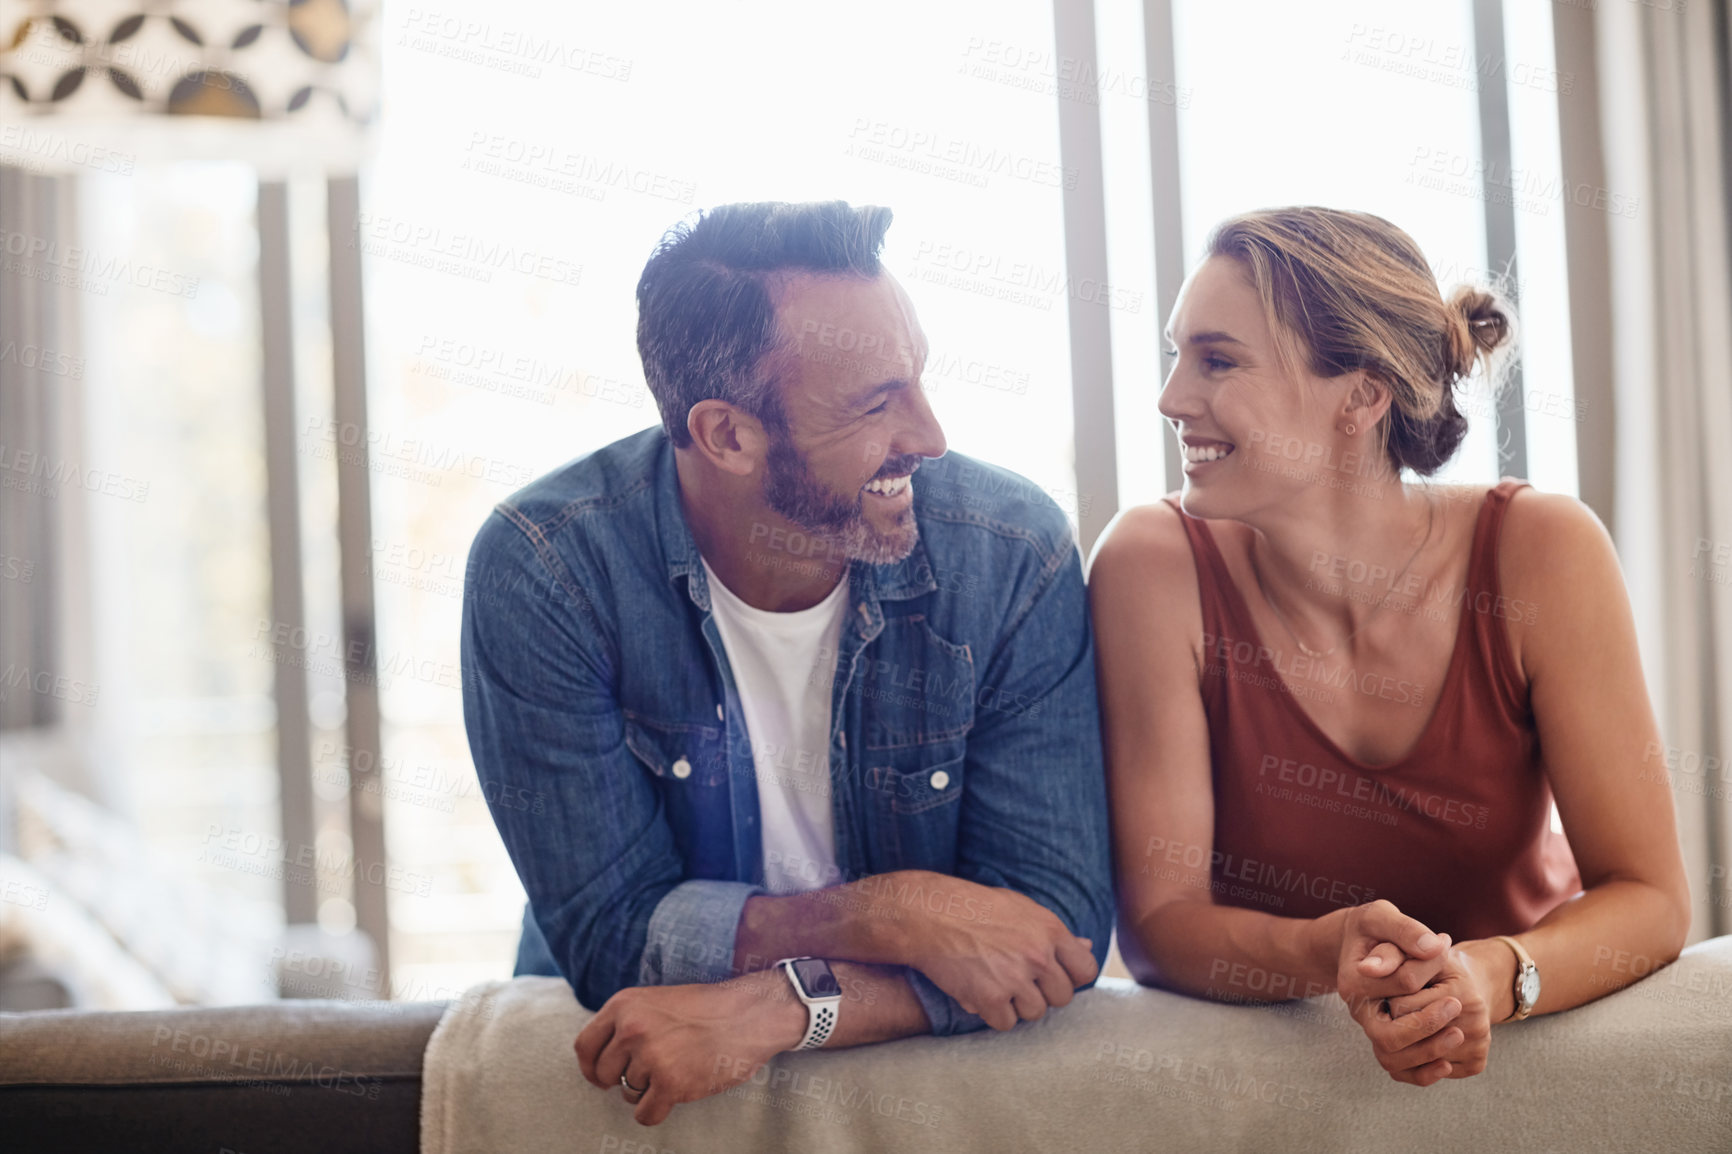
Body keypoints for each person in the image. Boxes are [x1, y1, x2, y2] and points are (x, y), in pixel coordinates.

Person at [461, 200, 1111, 1126]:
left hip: (912, 1085)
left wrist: (783, 1005)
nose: (928, 436)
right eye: (876, 403)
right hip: (648, 1083)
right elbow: (609, 936)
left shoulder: (1008, 553)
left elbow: (1057, 930)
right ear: (727, 435)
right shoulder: (549, 568)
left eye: (917, 380)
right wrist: (893, 913)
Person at [1089, 206, 1691, 1087]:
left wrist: (1488, 976)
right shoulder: (1151, 565)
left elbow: (1651, 898)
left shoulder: (1542, 550)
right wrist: (1329, 950)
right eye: (1177, 355)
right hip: (1295, 1084)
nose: (1172, 397)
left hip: (1527, 1047)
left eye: (1217, 360)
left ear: (1363, 397)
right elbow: (1160, 923)